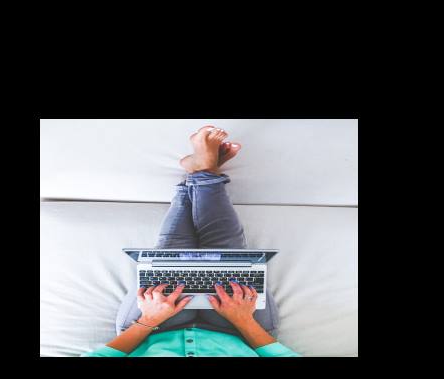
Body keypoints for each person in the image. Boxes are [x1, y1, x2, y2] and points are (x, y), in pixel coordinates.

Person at [82, 126, 300, 357]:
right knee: (228, 252)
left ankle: (202, 171)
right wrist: (243, 320)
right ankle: (201, 171)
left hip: (150, 329)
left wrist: (148, 319)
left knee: (170, 257)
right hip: (242, 332)